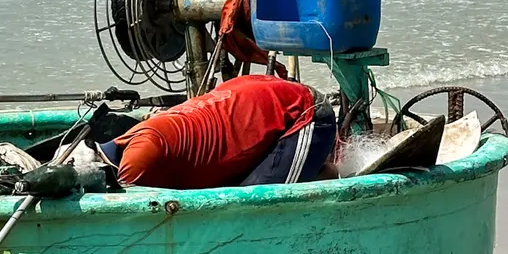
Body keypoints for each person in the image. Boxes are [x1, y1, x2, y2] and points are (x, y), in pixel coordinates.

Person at [103, 73, 337, 190]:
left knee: (254, 205)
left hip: (303, 113)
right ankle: (313, 167)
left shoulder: (137, 163)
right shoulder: (138, 135)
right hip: (258, 98)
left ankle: (325, 174)